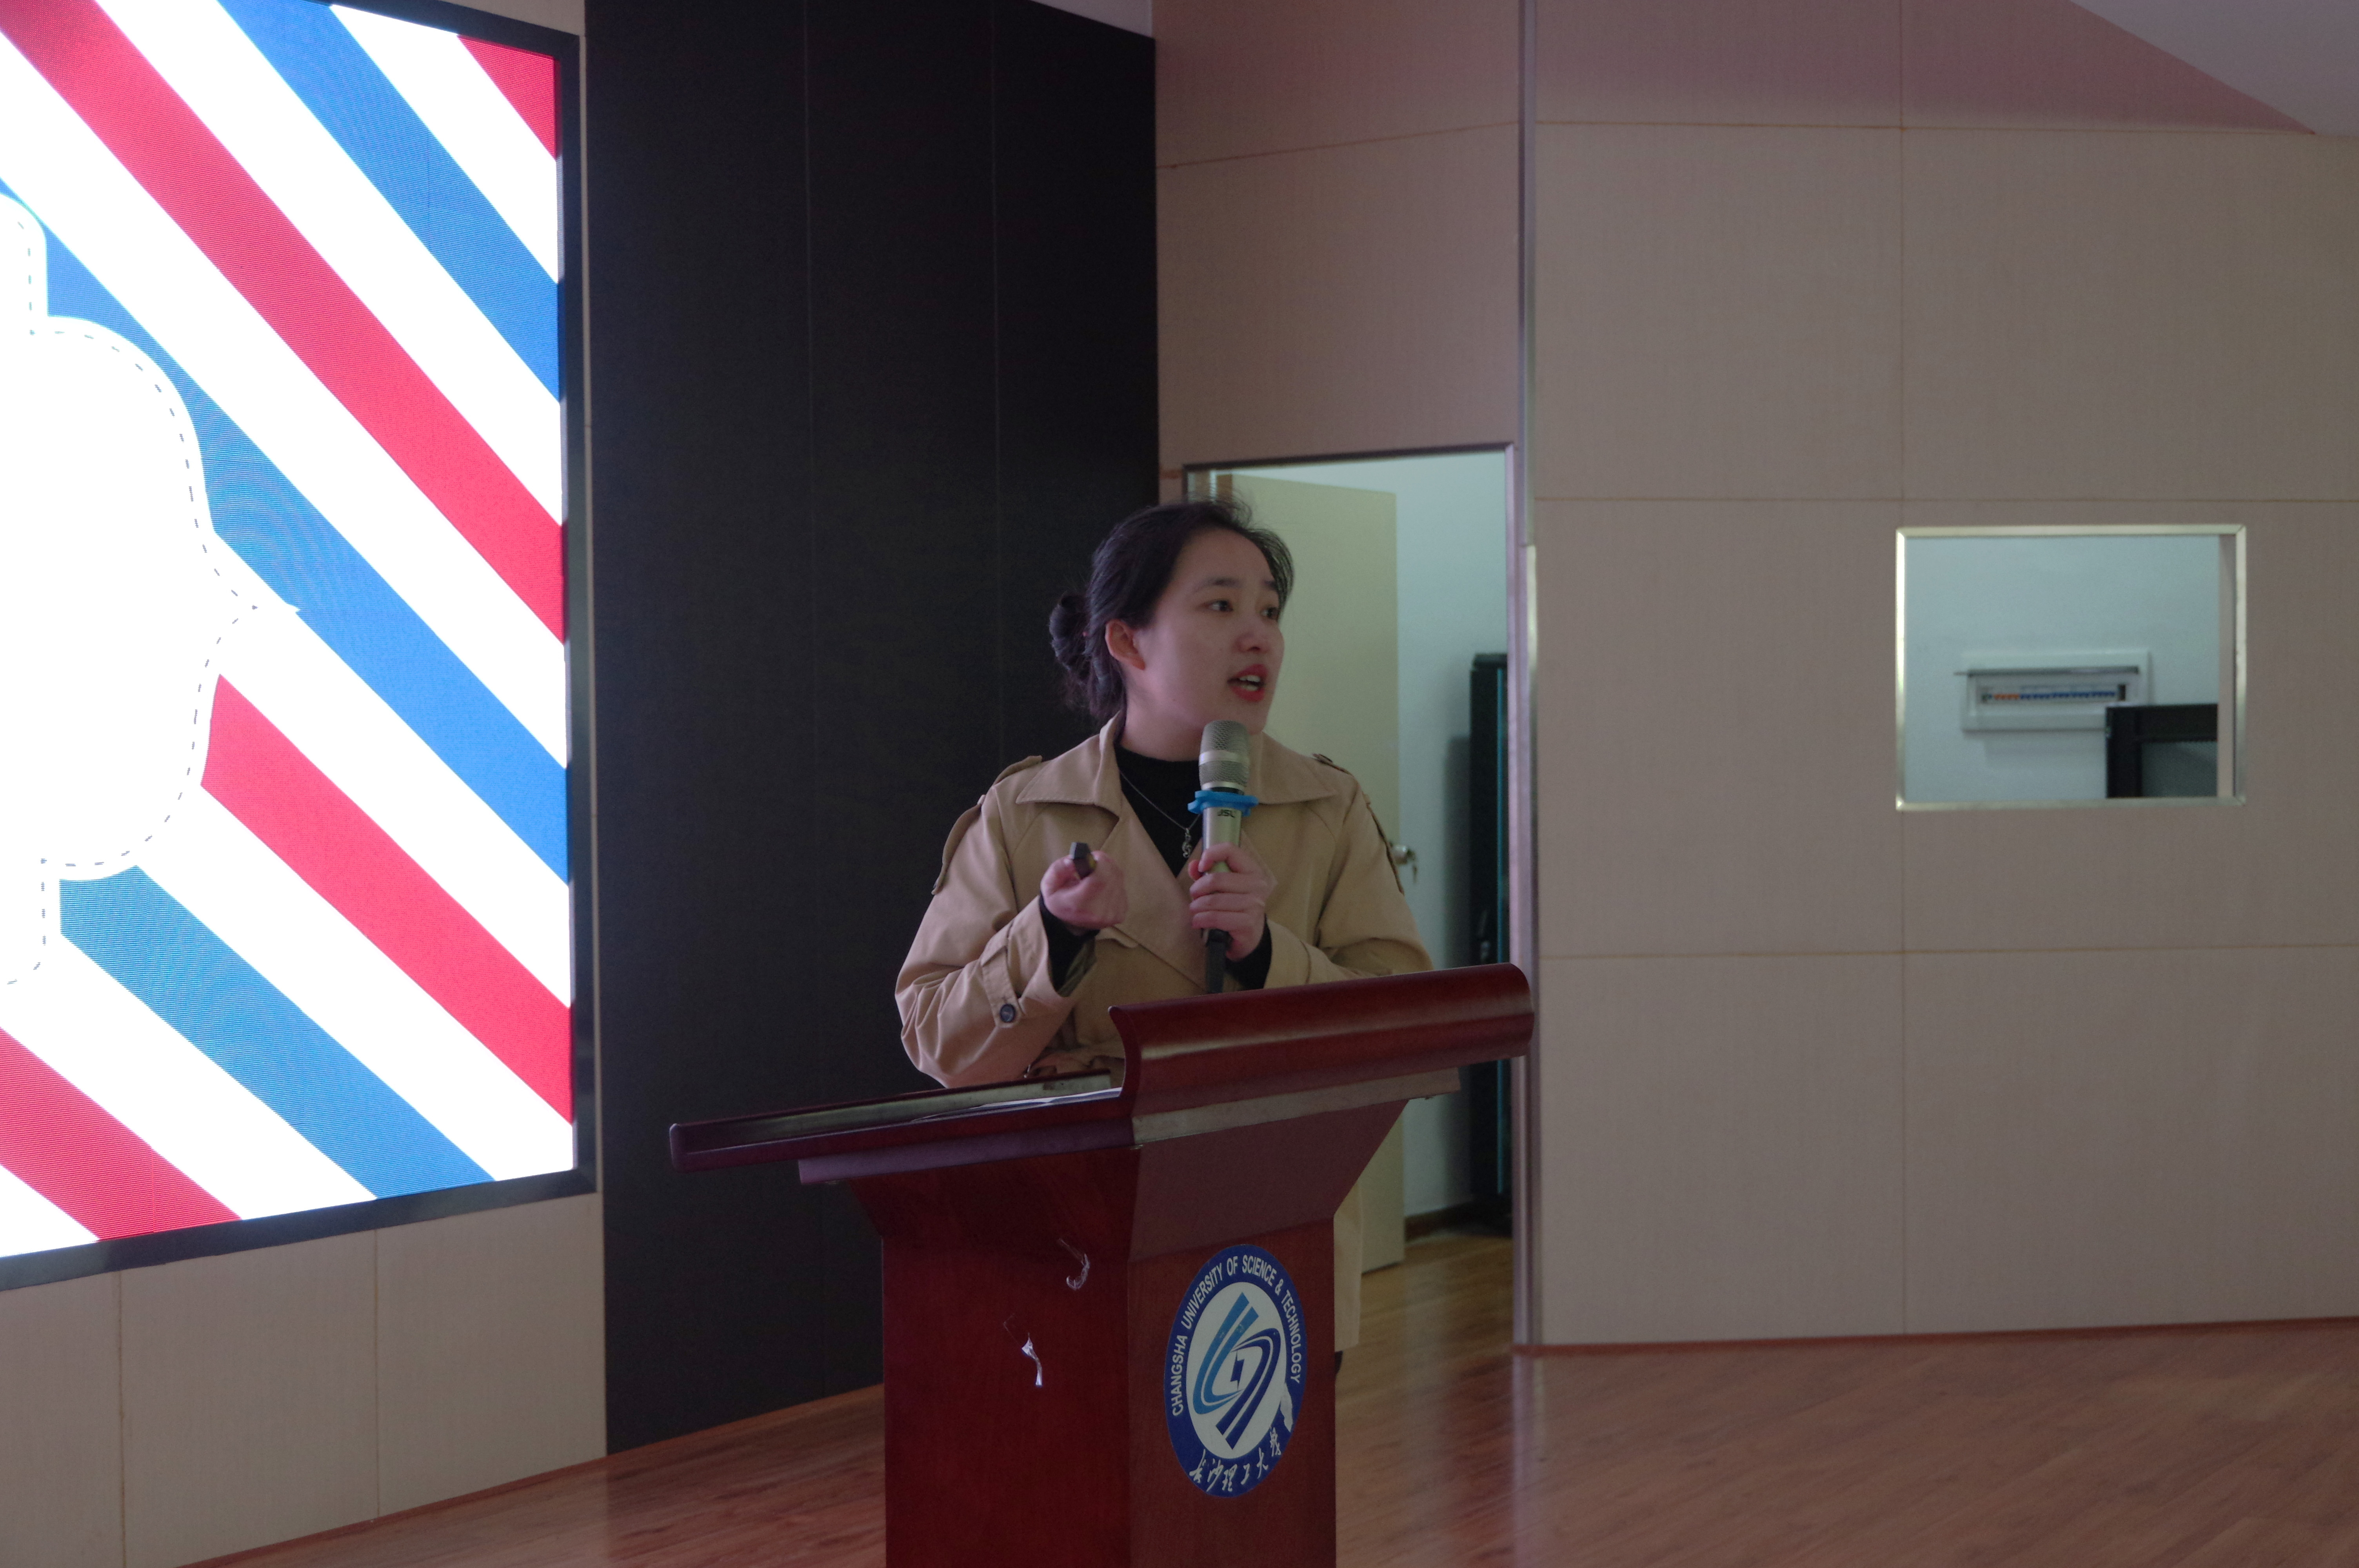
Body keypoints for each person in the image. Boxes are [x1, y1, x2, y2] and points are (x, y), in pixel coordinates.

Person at [896, 498, 1431, 1355]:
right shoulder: (1024, 815)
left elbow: (1406, 1028)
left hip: (1270, 1252)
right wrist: (1052, 936)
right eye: (1220, 605)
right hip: (1082, 1246)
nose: (1258, 636)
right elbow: (937, 1041)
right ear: (1128, 641)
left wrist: (1268, 952)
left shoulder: (1326, 806)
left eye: (1269, 611)